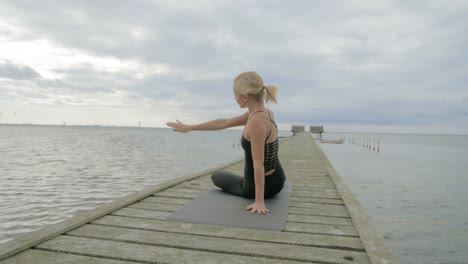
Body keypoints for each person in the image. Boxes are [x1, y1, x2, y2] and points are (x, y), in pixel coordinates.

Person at [166, 71, 286, 214]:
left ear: (245, 97)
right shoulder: (266, 113)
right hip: (278, 179)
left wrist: (259, 201)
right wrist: (190, 127)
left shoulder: (256, 122)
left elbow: (258, 164)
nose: (234, 98)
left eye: (235, 95)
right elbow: (225, 122)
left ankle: (257, 195)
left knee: (216, 176)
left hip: (258, 188)